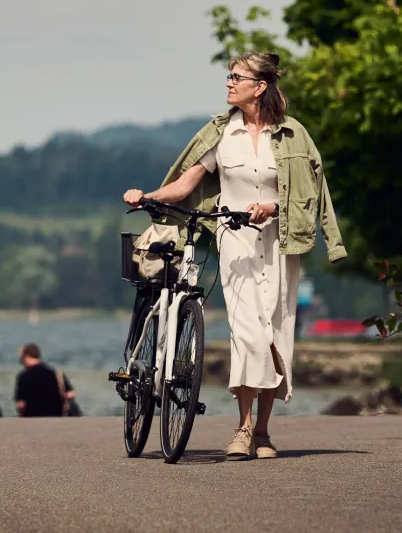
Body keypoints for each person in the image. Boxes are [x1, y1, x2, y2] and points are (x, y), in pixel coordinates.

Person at [123, 51, 346, 460]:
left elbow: (310, 195)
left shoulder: (294, 135)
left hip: (281, 242)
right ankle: (242, 429)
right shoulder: (221, 133)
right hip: (235, 239)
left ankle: (262, 431)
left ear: (259, 86)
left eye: (236, 76)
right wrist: (148, 195)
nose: (228, 82)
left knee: (276, 331)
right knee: (248, 331)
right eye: (229, 76)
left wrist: (274, 208)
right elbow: (185, 182)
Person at [14, 343, 76, 417]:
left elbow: (21, 404)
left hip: (32, 419)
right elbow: (70, 395)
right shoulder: (57, 374)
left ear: (26, 357)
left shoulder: (23, 377)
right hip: (57, 417)